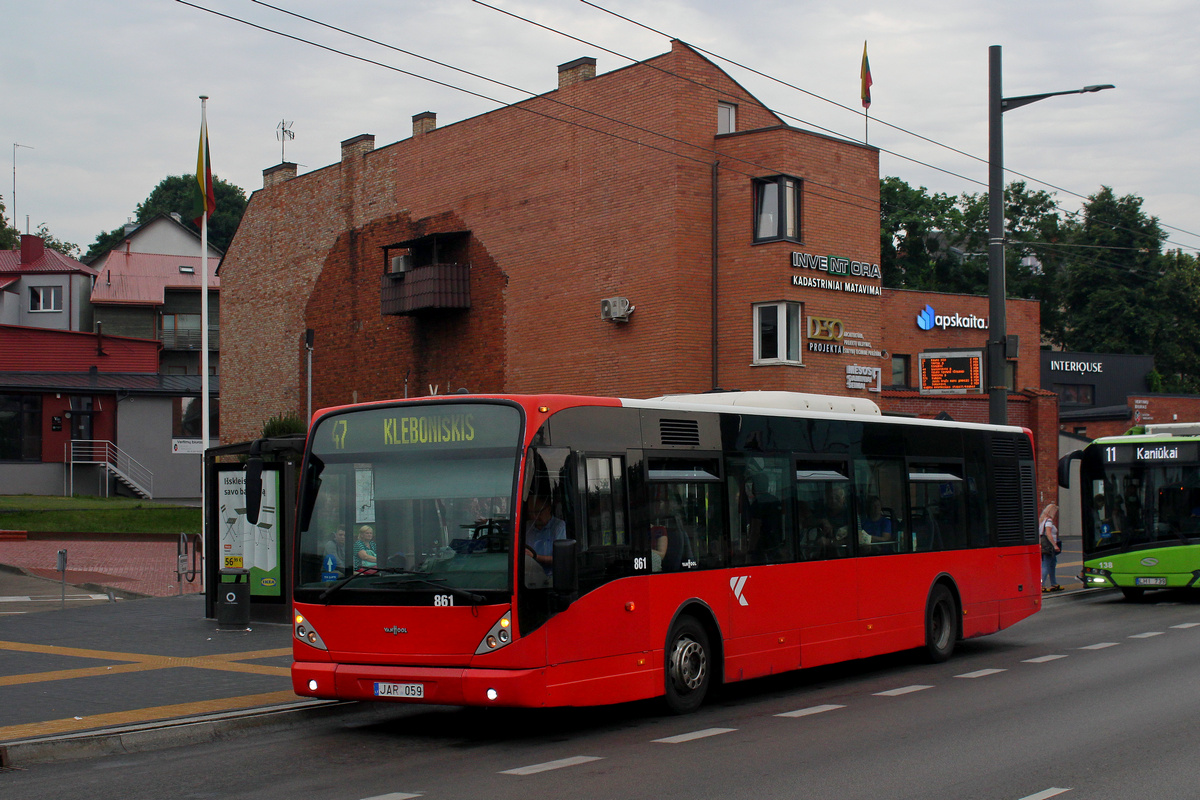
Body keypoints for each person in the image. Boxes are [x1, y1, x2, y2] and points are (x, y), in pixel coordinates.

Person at [525, 491, 566, 572]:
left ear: (548, 509)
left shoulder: (558, 526)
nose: (534, 517)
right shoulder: (527, 526)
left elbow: (561, 558)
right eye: (531, 512)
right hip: (528, 574)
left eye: (538, 512)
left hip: (550, 576)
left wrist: (536, 557)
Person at [1039, 503, 1061, 593]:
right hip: (1049, 546)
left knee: (1052, 563)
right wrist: (1055, 545)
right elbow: (1048, 534)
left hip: (1044, 545)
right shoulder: (1049, 521)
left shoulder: (1042, 520)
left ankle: (1054, 583)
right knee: (1046, 564)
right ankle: (1041, 584)